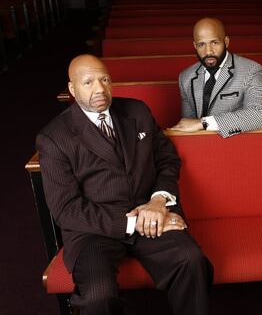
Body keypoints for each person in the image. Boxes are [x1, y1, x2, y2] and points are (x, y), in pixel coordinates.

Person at [36, 54, 213, 315]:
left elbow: (167, 160)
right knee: (98, 296)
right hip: (94, 229)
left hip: (151, 212)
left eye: (104, 79)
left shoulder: (137, 111)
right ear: (72, 89)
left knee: (191, 261)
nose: (100, 88)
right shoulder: (53, 138)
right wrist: (132, 222)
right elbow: (66, 209)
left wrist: (158, 201)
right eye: (88, 82)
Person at [170, 18, 262, 138]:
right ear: (194, 46)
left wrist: (204, 123)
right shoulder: (185, 77)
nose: (208, 51)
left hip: (236, 146)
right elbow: (188, 125)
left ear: (226, 41)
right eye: (201, 44)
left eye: (214, 42)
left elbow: (258, 114)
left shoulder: (250, 69)